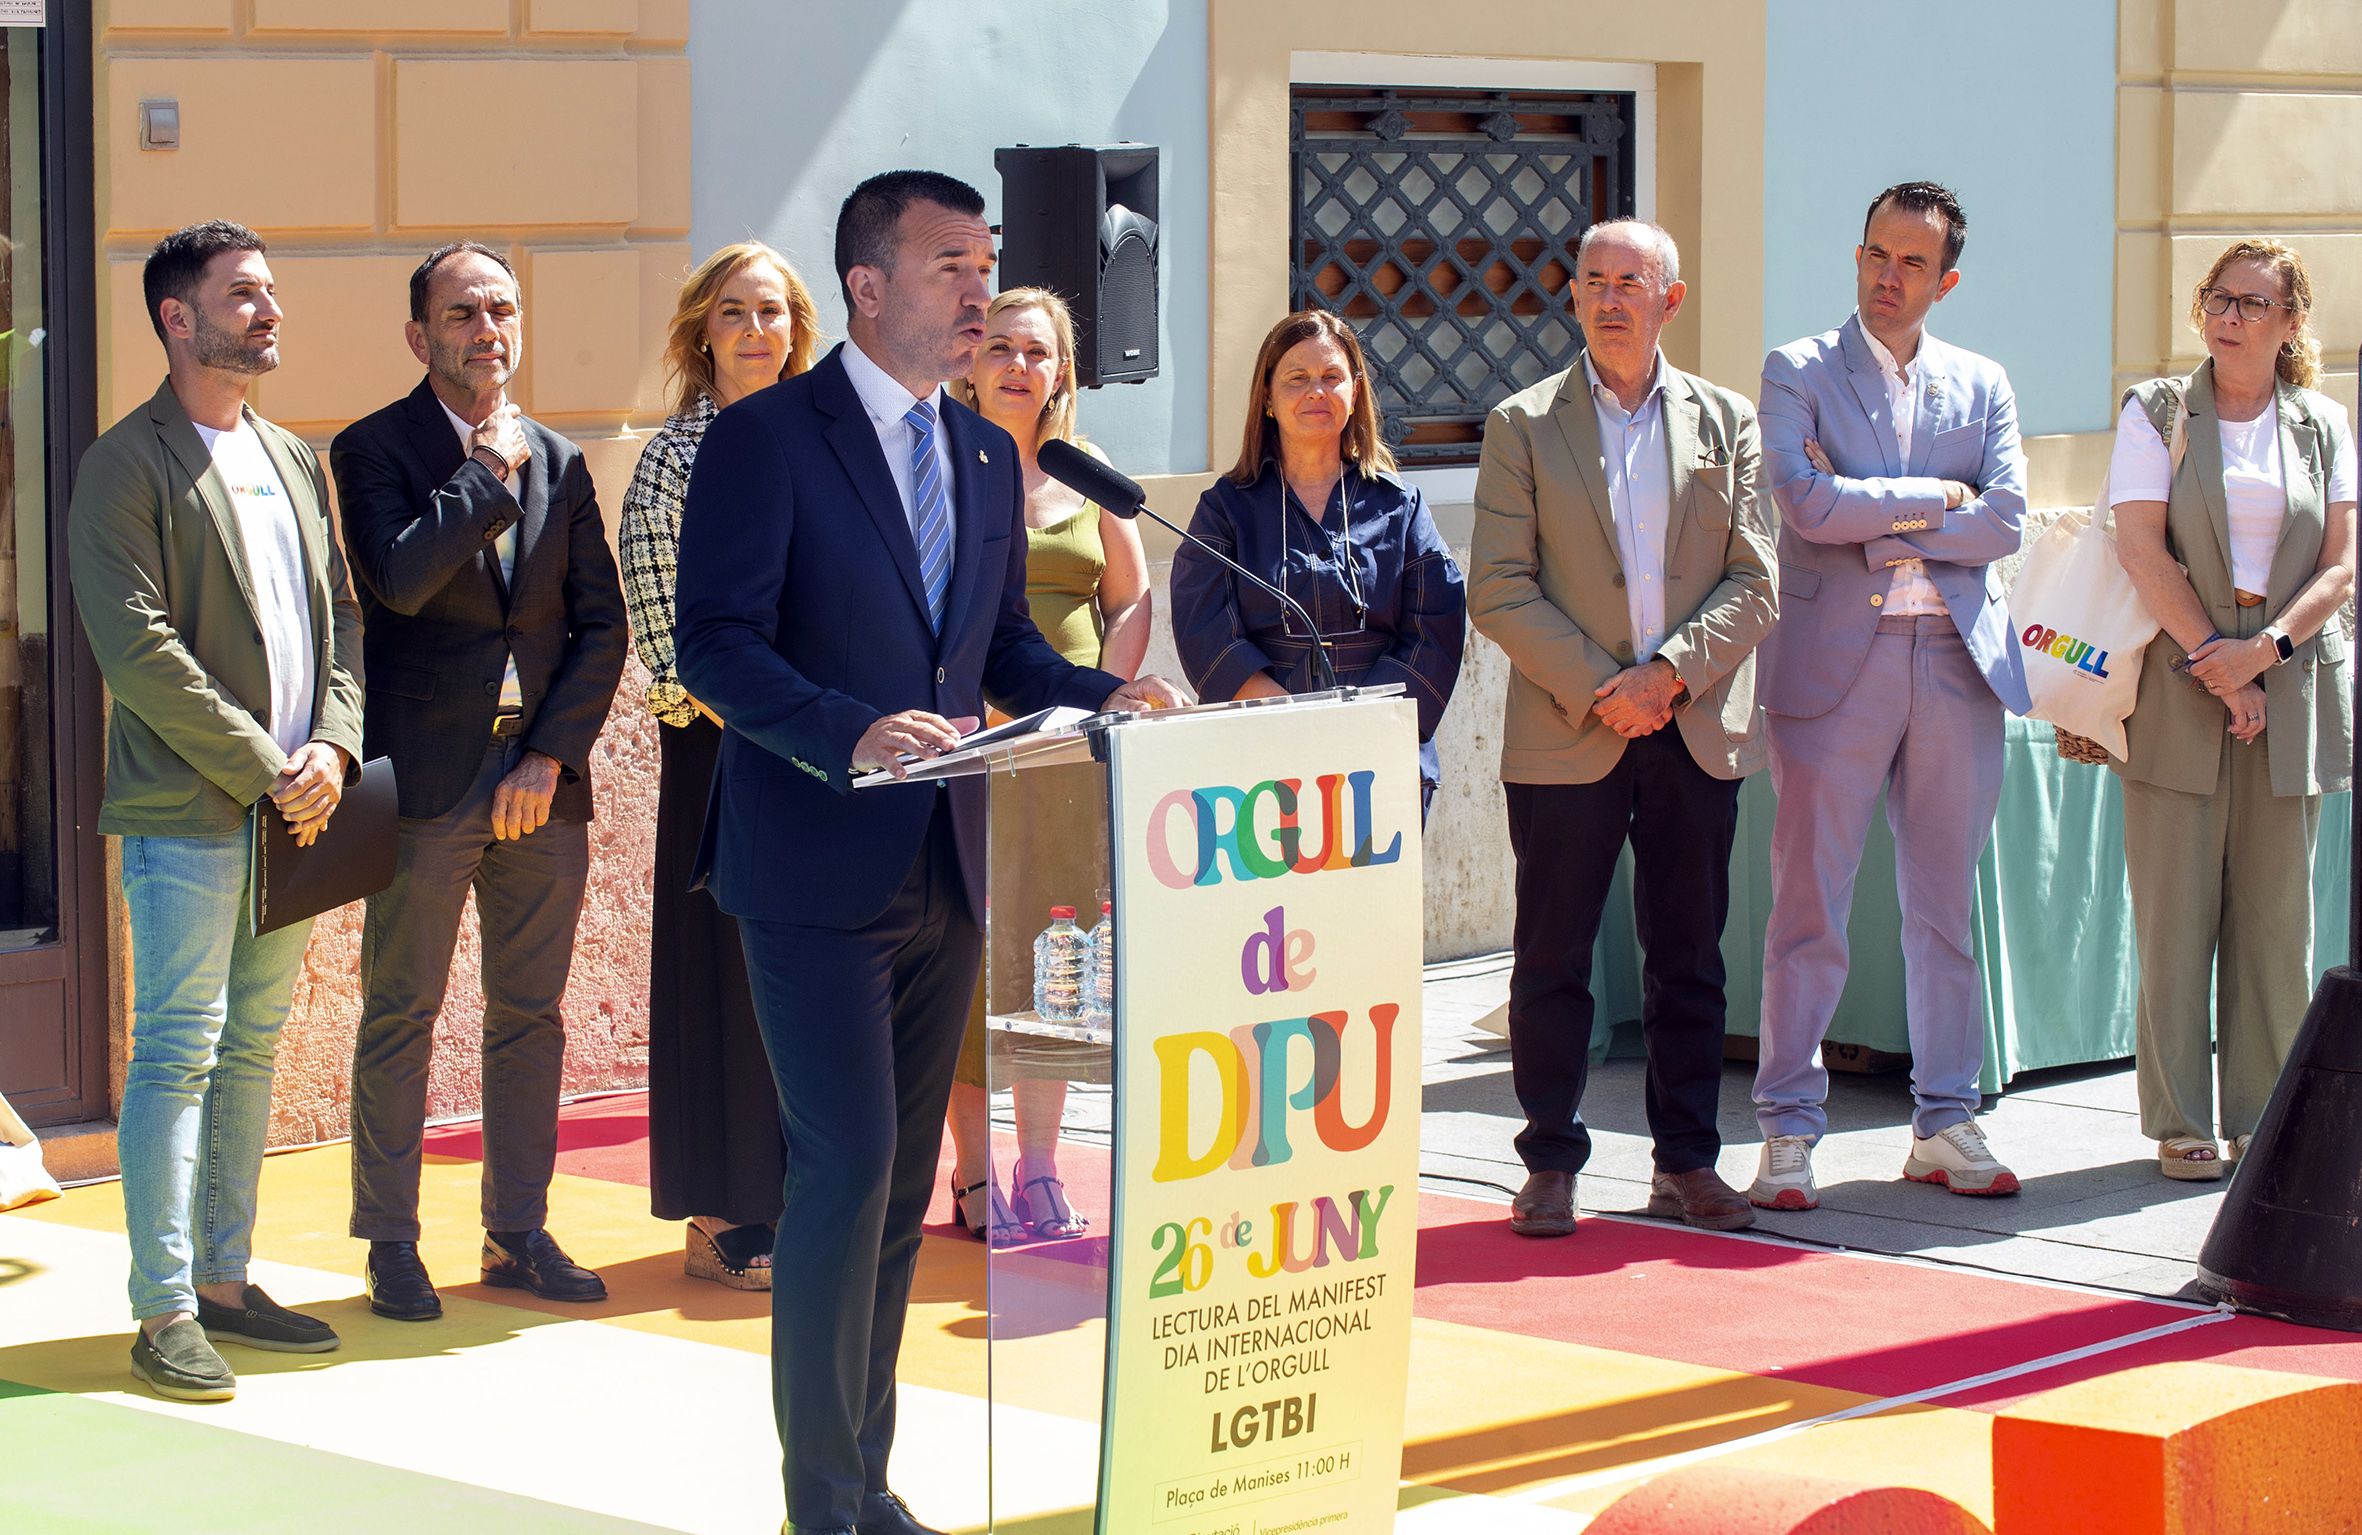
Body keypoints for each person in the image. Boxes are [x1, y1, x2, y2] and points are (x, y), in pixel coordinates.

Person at [671, 170, 1188, 1535]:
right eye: (950, 264)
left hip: (948, 863)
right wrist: (846, 731)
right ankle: (818, 1502)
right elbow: (713, 643)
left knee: (902, 1183)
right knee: (844, 1166)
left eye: (985, 262)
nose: (978, 290)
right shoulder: (767, 439)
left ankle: (865, 1477)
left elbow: (998, 645)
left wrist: (1108, 695)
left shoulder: (980, 452)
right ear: (867, 284)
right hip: (810, 862)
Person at [68, 220, 364, 1398]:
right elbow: (136, 647)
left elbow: (340, 618)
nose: (269, 309)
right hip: (192, 810)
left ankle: (228, 1279)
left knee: (250, 1047)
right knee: (178, 1048)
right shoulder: (122, 463)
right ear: (176, 317)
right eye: (243, 294)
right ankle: (165, 1306)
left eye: (270, 290)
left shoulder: (291, 455)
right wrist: (266, 766)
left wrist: (333, 745)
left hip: (299, 807)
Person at [334, 242, 628, 1321]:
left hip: (538, 775)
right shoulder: (375, 447)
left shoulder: (563, 458)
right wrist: (487, 472)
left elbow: (601, 624)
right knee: (401, 1009)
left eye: (501, 309)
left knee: (530, 1013)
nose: (487, 329)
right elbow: (401, 578)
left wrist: (549, 754)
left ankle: (517, 1230)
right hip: (425, 778)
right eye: (462, 313)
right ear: (420, 336)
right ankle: (391, 1241)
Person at [1469, 220, 1776, 1239]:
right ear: (1572, 295)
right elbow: (1498, 586)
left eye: (1629, 282)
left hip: (1692, 726)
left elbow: (1756, 578)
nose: (1608, 299)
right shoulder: (1521, 423)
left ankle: (1686, 1159)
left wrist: (1669, 678)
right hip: (1568, 728)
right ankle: (1549, 1160)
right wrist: (1607, 688)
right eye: (1592, 281)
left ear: (1669, 300)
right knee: (1552, 956)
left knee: (1688, 957)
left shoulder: (1727, 421)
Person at [1749, 182, 2029, 1208]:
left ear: (1944, 280)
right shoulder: (1797, 369)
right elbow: (1802, 502)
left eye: (1912, 262)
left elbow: (2006, 520)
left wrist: (1869, 514)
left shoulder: (1983, 383)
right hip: (1835, 667)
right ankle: (1786, 1128)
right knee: (1807, 907)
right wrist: (1936, 499)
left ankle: (1944, 1119)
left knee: (1944, 909)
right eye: (1875, 253)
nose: (1887, 275)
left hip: (1955, 661)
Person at [2109, 240, 2356, 1180]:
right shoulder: (2157, 410)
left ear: (2291, 322)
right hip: (2181, 684)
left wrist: (2266, 652)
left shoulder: (2324, 423)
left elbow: (2342, 565)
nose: (2230, 316)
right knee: (2174, 917)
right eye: (2220, 296)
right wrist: (2224, 665)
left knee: (2276, 922)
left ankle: (2260, 1116)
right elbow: (2141, 549)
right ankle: (2180, 1121)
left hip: (2291, 687)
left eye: (2254, 303)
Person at [619, 241, 821, 1286]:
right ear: (703, 330)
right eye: (734, 311)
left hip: (828, 748)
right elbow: (669, 643)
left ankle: (816, 1198)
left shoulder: (828, 441)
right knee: (728, 979)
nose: (753, 330)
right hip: (724, 750)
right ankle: (727, 1213)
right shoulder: (674, 458)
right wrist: (785, 715)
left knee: (817, 984)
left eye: (772, 311)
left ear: (798, 330)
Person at [940, 286, 1152, 1246]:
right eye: (1001, 347)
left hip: (1066, 752)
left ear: (1062, 369)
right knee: (972, 959)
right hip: (965, 751)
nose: (1019, 366)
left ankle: (1041, 1167)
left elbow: (1131, 597)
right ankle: (974, 1174)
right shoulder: (944, 461)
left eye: (1038, 351)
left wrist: (1102, 696)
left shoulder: (1085, 470)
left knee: (1053, 959)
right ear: (972, 360)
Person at [1169, 309, 1466, 812]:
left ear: (1355, 392)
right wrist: (1293, 724)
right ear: (1267, 397)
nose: (1316, 391)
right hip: (1261, 757)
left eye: (1332, 377)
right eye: (1297, 378)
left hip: (1380, 756)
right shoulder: (1226, 509)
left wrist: (1357, 726)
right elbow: (1206, 629)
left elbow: (1435, 627)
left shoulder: (1401, 506)